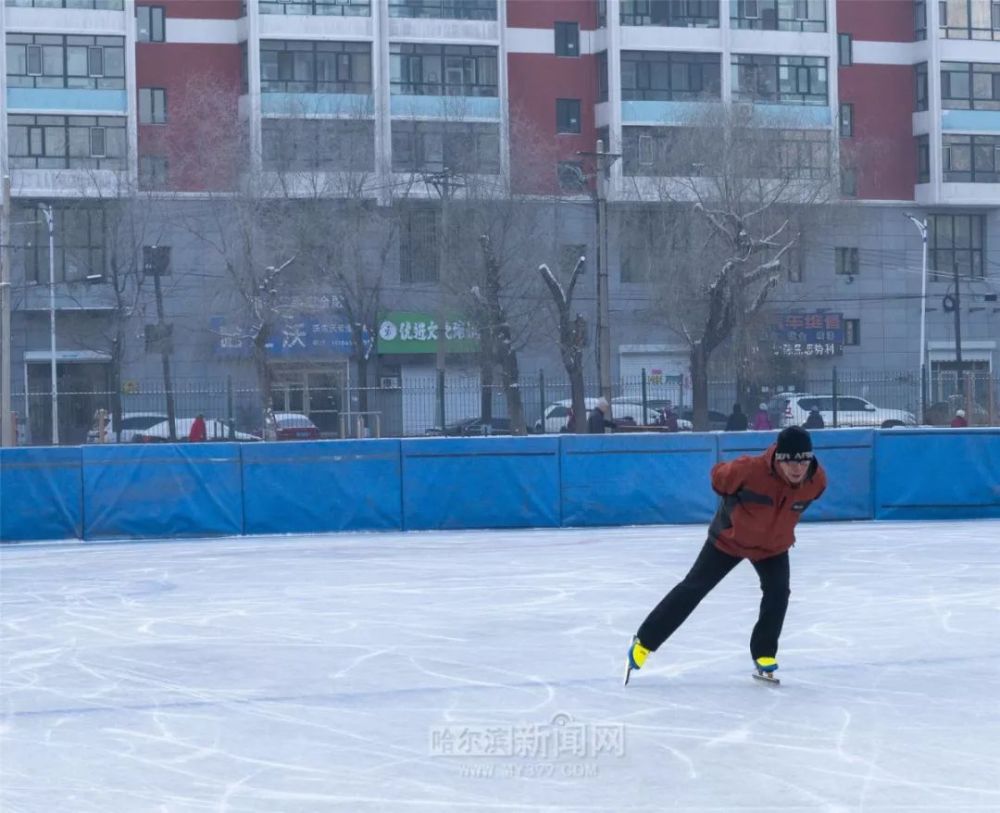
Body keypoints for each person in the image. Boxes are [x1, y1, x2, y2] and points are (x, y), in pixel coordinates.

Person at [624, 426, 827, 685]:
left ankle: (764, 654)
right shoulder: (748, 470)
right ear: (778, 457)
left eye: (802, 460)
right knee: (693, 588)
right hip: (730, 540)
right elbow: (718, 478)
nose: (797, 468)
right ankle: (644, 642)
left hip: (772, 547)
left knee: (778, 593)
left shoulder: (816, 481)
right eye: (789, 460)